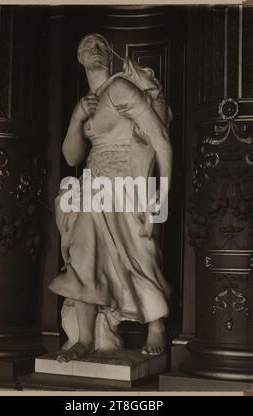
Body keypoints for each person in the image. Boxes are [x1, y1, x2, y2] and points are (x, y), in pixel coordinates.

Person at [49, 33, 173, 362]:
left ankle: (156, 326)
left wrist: (162, 191)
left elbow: (159, 137)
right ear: (78, 56)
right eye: (89, 46)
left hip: (128, 181)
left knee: (140, 251)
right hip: (94, 185)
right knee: (83, 255)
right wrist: (77, 118)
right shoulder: (87, 103)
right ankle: (86, 338)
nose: (97, 50)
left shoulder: (120, 88)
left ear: (110, 54)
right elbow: (72, 157)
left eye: (102, 45)